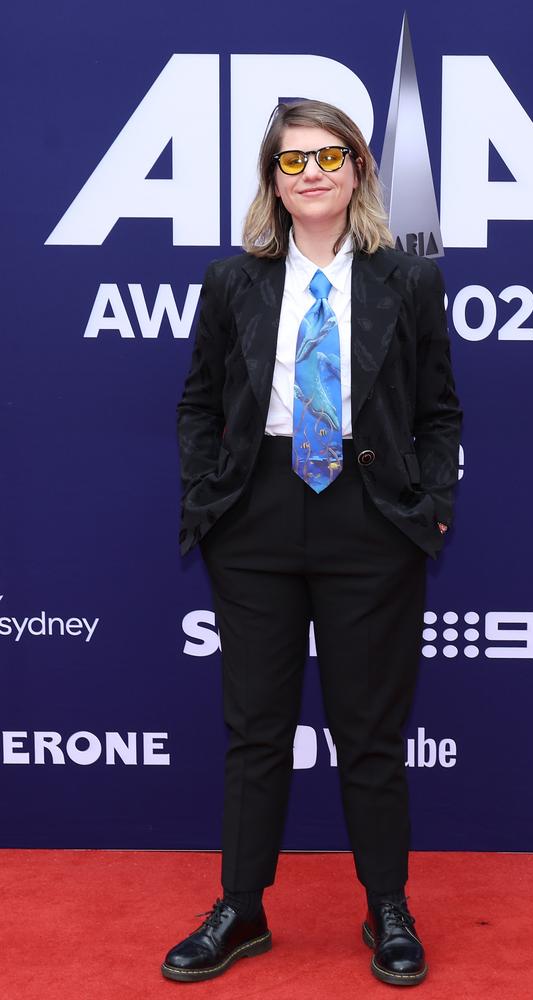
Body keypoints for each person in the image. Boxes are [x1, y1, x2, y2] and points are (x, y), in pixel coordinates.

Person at [162, 99, 462, 987]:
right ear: (273, 180)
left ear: (360, 168)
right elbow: (199, 405)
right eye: (293, 162)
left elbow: (439, 409)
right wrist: (205, 497)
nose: (313, 174)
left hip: (371, 520)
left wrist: (432, 504)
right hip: (253, 519)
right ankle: (242, 910)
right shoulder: (233, 282)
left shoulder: (408, 281)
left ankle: (387, 907)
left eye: (330, 156)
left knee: (369, 732)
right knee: (255, 731)